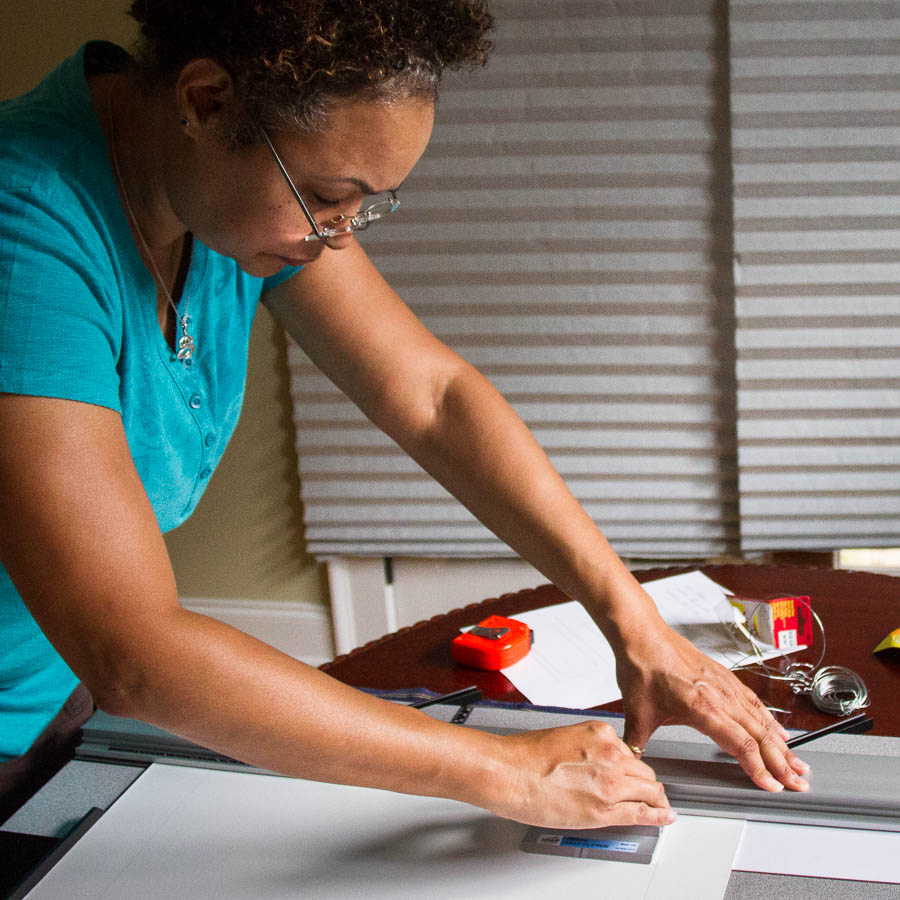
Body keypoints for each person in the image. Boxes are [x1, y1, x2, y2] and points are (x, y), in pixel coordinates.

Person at [0, 0, 810, 828]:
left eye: (368, 204)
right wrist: (504, 769)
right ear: (207, 103)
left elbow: (432, 397)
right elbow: (134, 653)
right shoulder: (24, 234)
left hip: (56, 693)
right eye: (327, 196)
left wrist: (637, 626)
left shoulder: (209, 188)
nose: (340, 239)